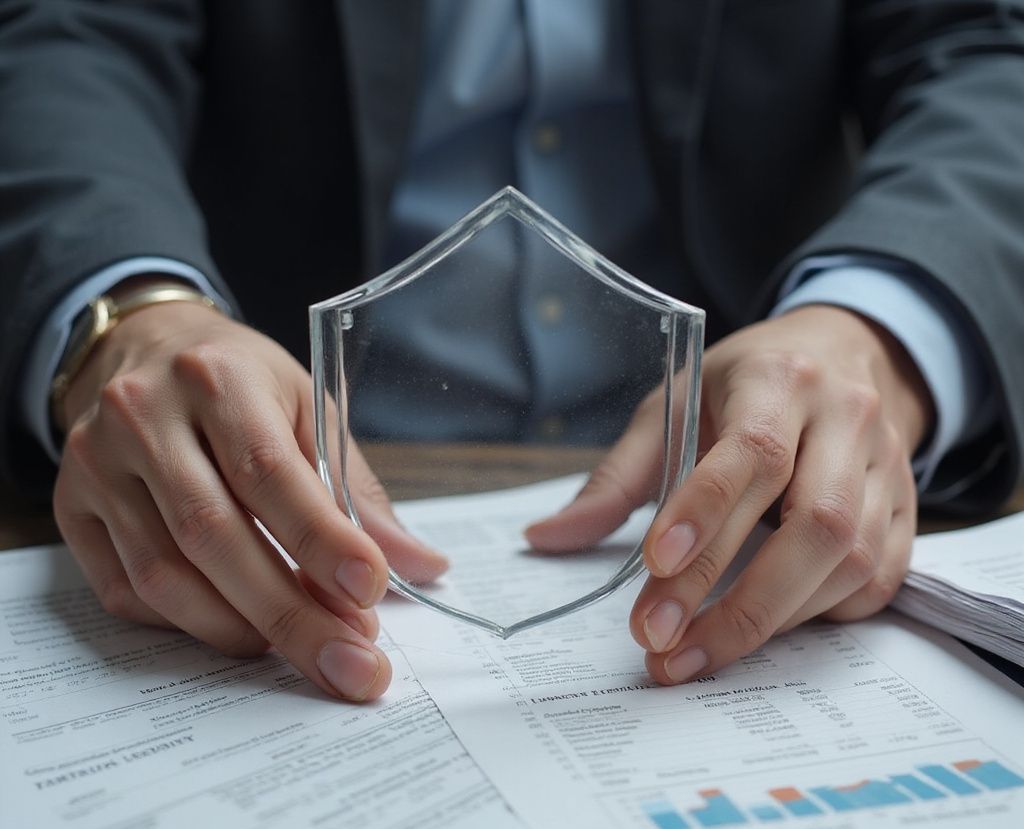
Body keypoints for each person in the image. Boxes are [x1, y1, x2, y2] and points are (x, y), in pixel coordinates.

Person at [1, 2, 1022, 703]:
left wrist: (875, 331)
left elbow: (983, 49)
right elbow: (69, 35)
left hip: (743, 472)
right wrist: (129, 314)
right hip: (282, 468)